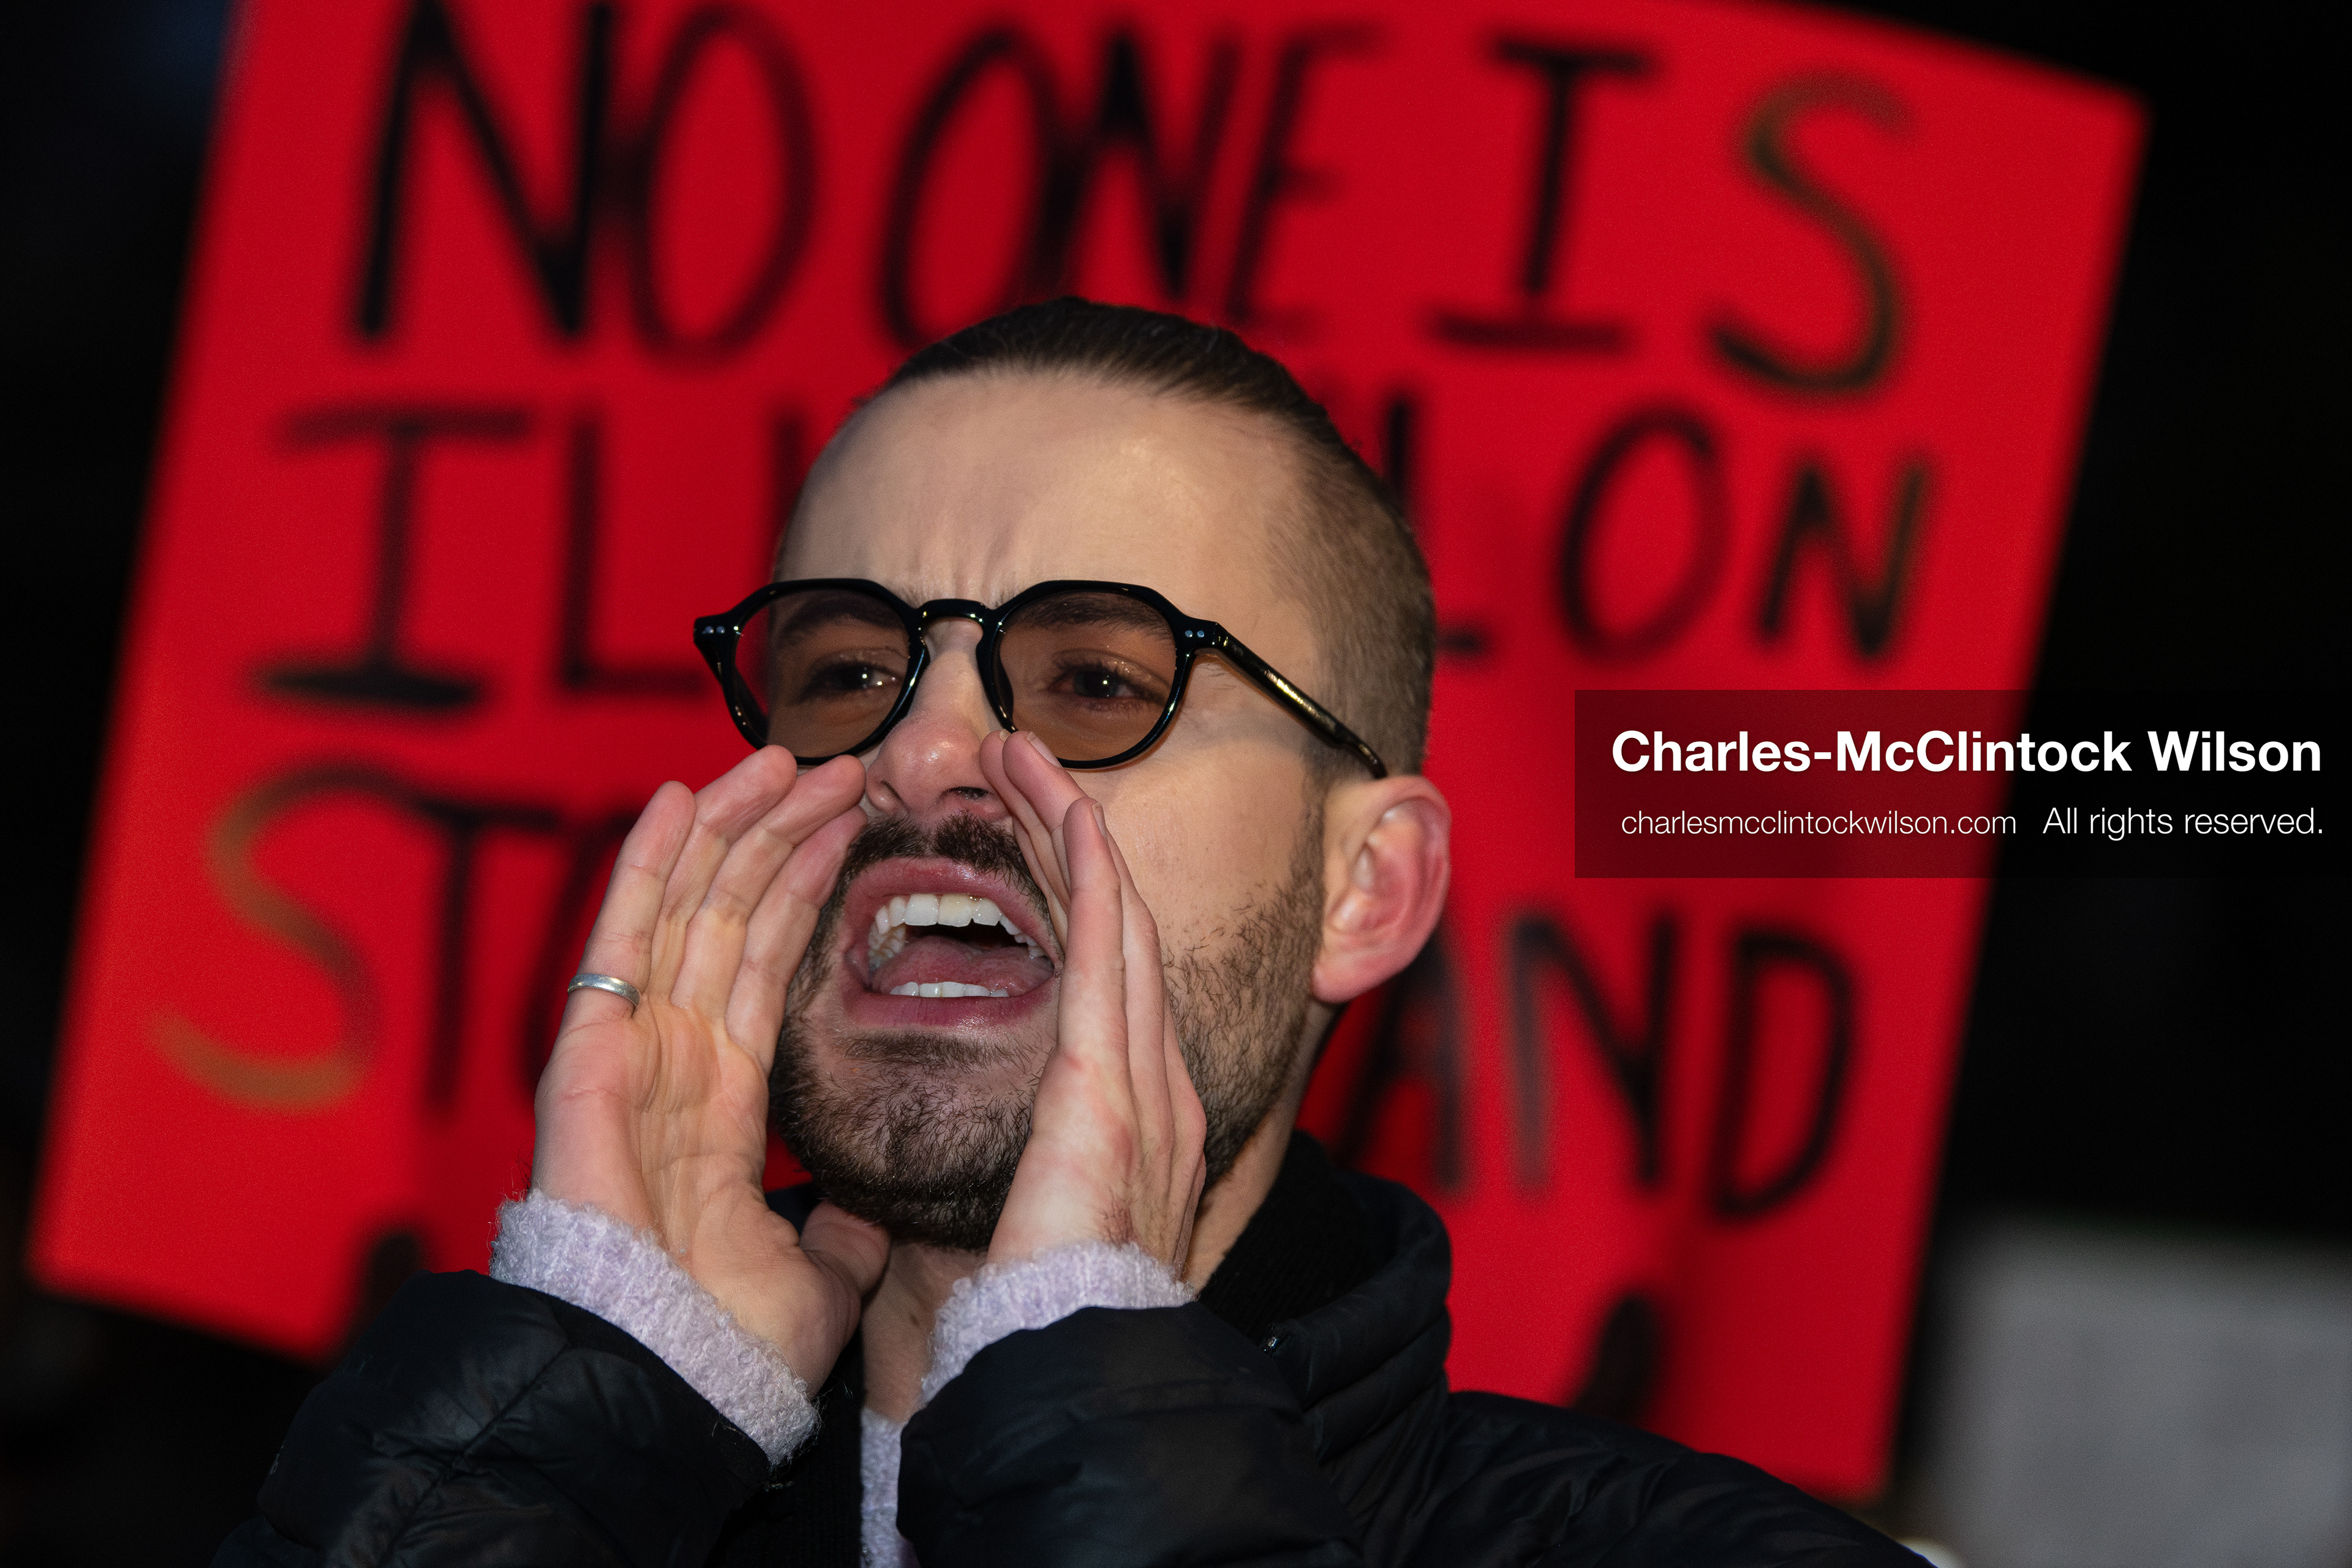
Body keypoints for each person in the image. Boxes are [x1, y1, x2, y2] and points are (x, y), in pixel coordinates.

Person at [217, 299, 1911, 1567]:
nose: (922, 755)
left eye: (1099, 678)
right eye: (847, 673)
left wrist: (1089, 1419)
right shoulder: (509, 1493)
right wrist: (571, 1415)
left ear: (1367, 887)